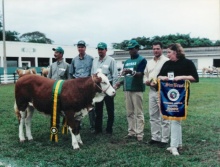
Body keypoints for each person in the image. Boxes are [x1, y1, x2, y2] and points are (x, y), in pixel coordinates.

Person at [157, 43, 199, 156]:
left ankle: (173, 146)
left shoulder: (187, 63)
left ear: (176, 52)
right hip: (168, 96)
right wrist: (163, 77)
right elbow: (159, 76)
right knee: (175, 120)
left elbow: (195, 78)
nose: (167, 54)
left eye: (169, 52)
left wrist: (181, 77)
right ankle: (178, 144)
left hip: (182, 96)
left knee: (175, 119)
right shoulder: (167, 64)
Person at [115, 40, 147, 142]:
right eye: (129, 49)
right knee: (129, 112)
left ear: (137, 48)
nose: (130, 51)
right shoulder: (127, 61)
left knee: (138, 112)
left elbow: (141, 74)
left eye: (132, 49)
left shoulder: (142, 60)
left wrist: (131, 71)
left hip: (137, 88)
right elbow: (125, 76)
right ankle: (131, 132)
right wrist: (119, 83)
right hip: (127, 88)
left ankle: (139, 133)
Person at [144, 41, 170, 147]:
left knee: (164, 116)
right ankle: (155, 137)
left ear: (162, 49)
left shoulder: (167, 61)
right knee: (153, 115)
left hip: (163, 91)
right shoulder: (149, 62)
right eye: (154, 49)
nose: (155, 51)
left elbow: (170, 76)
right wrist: (146, 81)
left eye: (158, 48)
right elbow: (145, 75)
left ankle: (164, 139)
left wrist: (160, 82)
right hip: (152, 91)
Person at [91, 42, 118, 134]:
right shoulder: (94, 61)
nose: (100, 51)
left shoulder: (111, 60)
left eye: (102, 49)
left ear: (106, 50)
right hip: (98, 87)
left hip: (108, 86)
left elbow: (115, 75)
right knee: (98, 109)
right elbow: (92, 75)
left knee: (110, 109)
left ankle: (109, 129)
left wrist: (113, 88)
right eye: (99, 49)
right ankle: (98, 129)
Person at [69, 40, 95, 132]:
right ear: (77, 48)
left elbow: (93, 73)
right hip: (77, 87)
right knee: (77, 107)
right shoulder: (74, 60)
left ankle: (93, 126)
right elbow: (71, 73)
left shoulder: (91, 59)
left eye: (82, 47)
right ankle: (78, 124)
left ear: (85, 48)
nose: (80, 49)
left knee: (90, 106)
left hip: (87, 87)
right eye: (79, 47)